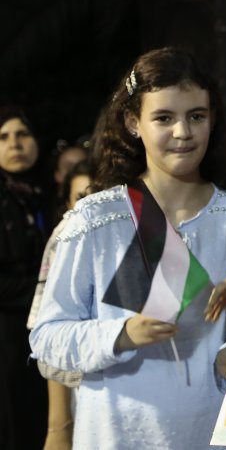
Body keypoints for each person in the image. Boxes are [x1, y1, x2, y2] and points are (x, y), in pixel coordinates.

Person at [29, 47, 226, 450]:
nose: (183, 132)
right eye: (164, 118)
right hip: (117, 434)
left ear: (212, 118)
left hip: (216, 431)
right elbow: (47, 337)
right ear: (133, 122)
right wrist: (121, 334)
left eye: (196, 116)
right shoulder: (93, 221)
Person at [26, 159, 92, 450]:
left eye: (99, 192)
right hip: (87, 397)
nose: (91, 203)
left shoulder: (144, 227)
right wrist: (58, 426)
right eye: (81, 197)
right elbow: (50, 340)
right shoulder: (67, 234)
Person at [0, 105, 49, 449]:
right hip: (7, 340)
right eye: (3, 137)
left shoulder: (46, 194)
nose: (14, 144)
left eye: (22, 134)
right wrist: (48, 290)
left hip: (44, 336)